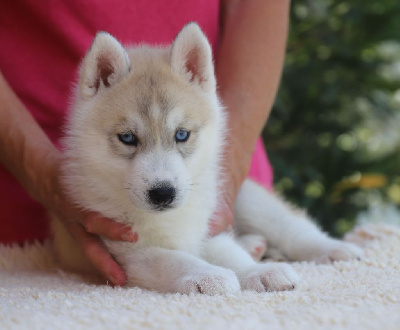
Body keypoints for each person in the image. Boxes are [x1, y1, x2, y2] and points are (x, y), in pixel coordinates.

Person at [0, 0, 290, 286]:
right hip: (20, 218)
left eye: (181, 136)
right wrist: (38, 169)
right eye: (128, 138)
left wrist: (245, 269)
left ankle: (310, 246)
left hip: (229, 177)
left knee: (246, 206)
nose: (161, 177)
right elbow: (135, 255)